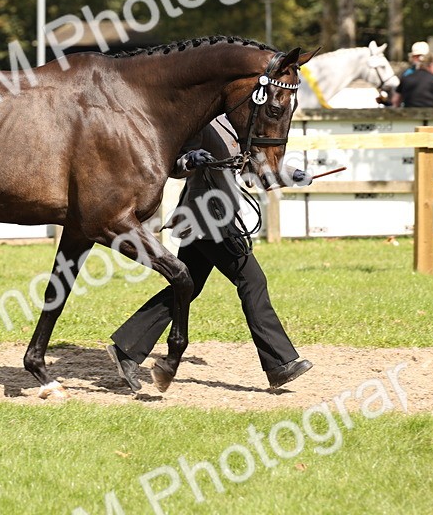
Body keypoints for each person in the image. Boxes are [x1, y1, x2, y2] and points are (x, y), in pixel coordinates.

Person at [106, 117, 312, 393]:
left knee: (187, 287)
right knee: (252, 281)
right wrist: (190, 159)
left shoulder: (236, 123)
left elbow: (253, 166)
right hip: (206, 218)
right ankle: (279, 364)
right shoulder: (201, 118)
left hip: (213, 219)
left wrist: (290, 174)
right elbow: (174, 163)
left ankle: (126, 348)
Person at [391, 41, 432, 106]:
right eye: (416, 56)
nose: (420, 59)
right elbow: (397, 98)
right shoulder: (407, 74)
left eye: (422, 56)